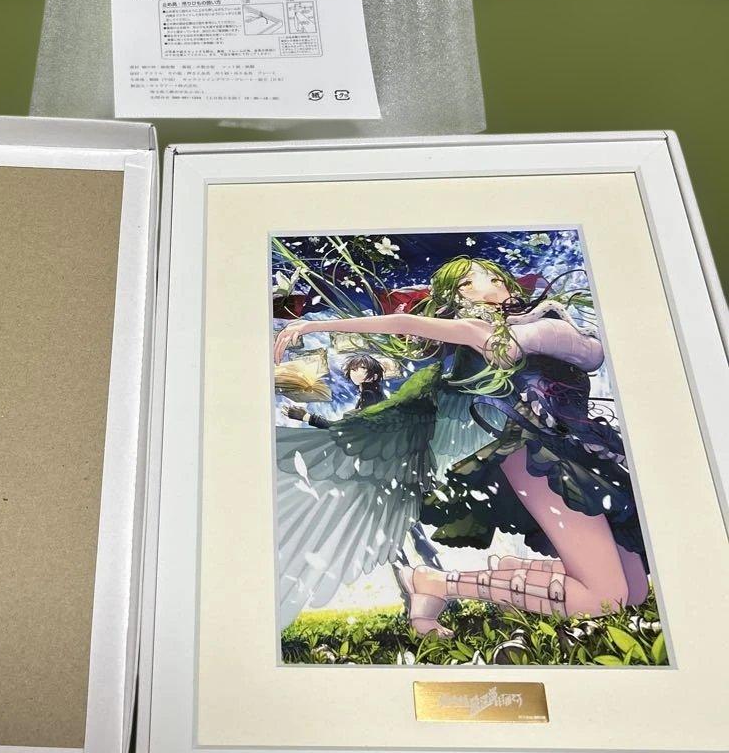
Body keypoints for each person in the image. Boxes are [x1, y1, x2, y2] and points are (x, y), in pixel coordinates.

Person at [273, 256, 649, 637]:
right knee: (607, 597)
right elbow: (403, 323)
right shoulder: (477, 331)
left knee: (634, 590)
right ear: (458, 296)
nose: (492, 283)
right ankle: (435, 584)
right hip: (538, 453)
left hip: (582, 446)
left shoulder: (532, 317)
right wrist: (314, 325)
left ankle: (500, 576)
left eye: (493, 276)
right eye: (471, 281)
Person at [283, 353, 384, 428]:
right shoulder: (372, 394)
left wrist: (306, 417)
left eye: (362, 368)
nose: (355, 371)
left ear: (374, 376)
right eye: (353, 368)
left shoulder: (369, 395)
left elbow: (341, 427)